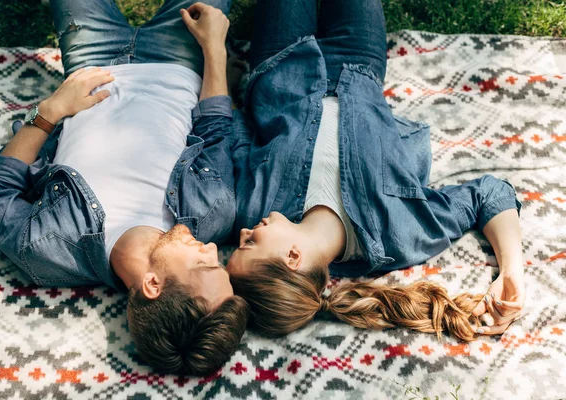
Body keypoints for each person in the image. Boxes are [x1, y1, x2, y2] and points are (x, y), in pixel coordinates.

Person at [0, 0, 249, 375]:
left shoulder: (46, 249)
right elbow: (214, 129)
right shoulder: (213, 213)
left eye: (205, 266)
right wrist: (214, 49)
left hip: (92, 59)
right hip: (180, 58)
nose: (214, 248)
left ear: (152, 284)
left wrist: (50, 112)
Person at [225, 0, 525, 341]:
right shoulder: (396, 233)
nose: (243, 235)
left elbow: (236, 133)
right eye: (247, 246)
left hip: (281, 63)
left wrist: (233, 84)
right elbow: (489, 194)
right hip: (357, 61)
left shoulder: (249, 210)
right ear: (293, 257)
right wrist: (512, 271)